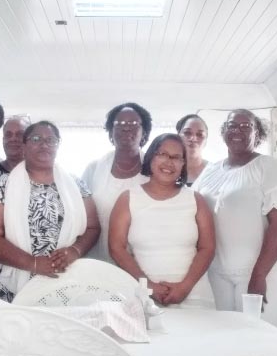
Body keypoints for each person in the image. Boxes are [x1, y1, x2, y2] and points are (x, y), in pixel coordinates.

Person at [193, 109, 277, 327]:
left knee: (259, 338)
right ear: (223, 132)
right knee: (223, 338)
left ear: (257, 133)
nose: (237, 130)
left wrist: (259, 276)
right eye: (232, 125)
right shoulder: (211, 170)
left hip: (258, 274)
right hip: (216, 273)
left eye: (245, 126)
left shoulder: (268, 167)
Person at [0, 121, 100, 303]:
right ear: (24, 146)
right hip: (9, 288)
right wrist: (32, 263)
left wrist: (74, 251)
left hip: (61, 285)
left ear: (58, 145)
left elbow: (93, 227)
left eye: (51, 140)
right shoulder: (3, 185)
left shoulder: (76, 185)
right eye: (36, 139)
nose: (44, 144)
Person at [109, 134, 215, 307]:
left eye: (176, 157)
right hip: (144, 296)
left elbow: (208, 248)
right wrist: (148, 286)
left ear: (183, 164)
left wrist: (185, 287)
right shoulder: (128, 198)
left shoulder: (196, 199)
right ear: (151, 157)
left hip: (194, 293)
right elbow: (116, 248)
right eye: (162, 154)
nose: (169, 162)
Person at [82, 103, 152, 263]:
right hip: (98, 260)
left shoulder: (154, 169)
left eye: (133, 123)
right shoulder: (93, 169)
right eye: (119, 123)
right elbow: (80, 216)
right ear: (110, 132)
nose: (126, 128)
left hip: (142, 263)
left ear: (144, 133)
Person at [0, 115, 31, 181]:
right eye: (8, 135)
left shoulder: (40, 173)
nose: (13, 139)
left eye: (19, 134)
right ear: (3, 140)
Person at [176, 113, 209, 186]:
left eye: (200, 134)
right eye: (187, 133)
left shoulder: (214, 171)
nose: (193, 139)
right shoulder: (168, 170)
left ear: (206, 140)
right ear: (178, 136)